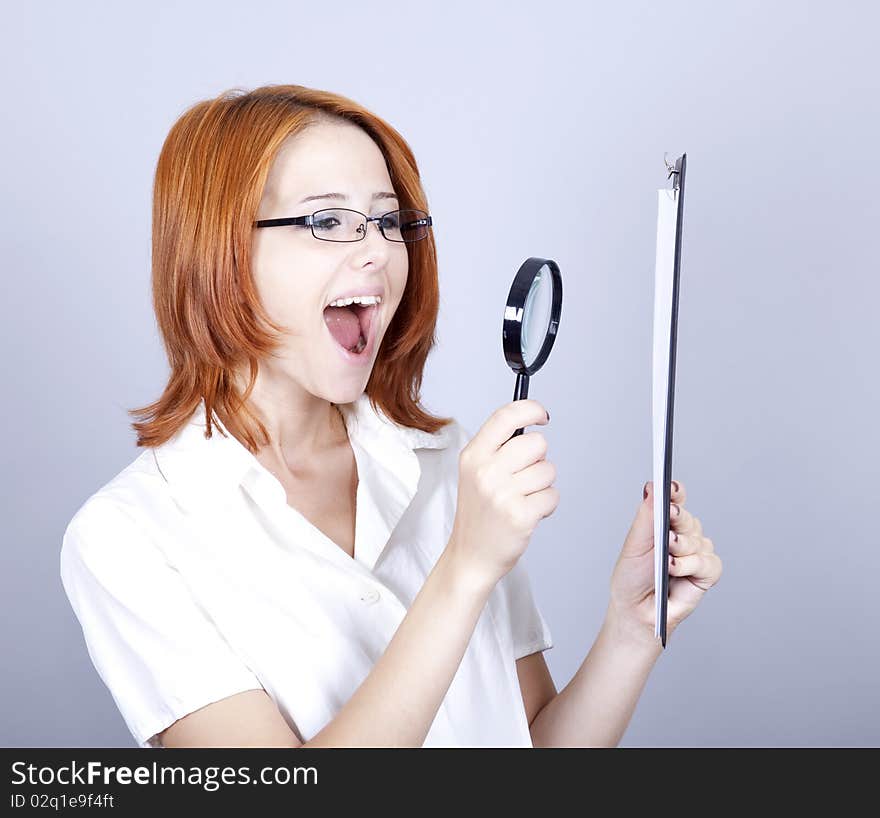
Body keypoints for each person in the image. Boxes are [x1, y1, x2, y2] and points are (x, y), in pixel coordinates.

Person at [60, 84, 723, 749]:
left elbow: (537, 750)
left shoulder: (445, 462)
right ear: (218, 251)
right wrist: (463, 567)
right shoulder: (127, 536)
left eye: (387, 221)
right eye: (326, 221)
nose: (378, 251)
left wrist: (632, 628)